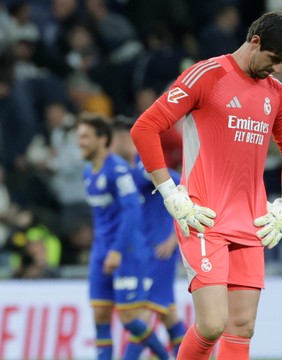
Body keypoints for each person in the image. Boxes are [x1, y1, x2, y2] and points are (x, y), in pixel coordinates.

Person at [130, 12, 282, 360]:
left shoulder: (277, 94)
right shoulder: (208, 75)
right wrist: (169, 193)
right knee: (212, 324)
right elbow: (144, 128)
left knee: (242, 327)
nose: (277, 69)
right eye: (273, 60)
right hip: (203, 217)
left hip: (252, 222)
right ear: (254, 42)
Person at [77, 116, 168, 360]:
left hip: (126, 252)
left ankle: (164, 356)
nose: (80, 142)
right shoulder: (88, 172)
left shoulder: (118, 171)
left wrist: (117, 250)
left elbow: (132, 212)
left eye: (85, 137)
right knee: (100, 316)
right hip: (101, 252)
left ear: (102, 140)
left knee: (129, 319)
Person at [111, 118, 186, 357]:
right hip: (143, 253)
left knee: (140, 316)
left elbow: (185, 189)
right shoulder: (120, 174)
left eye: (114, 139)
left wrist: (174, 238)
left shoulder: (144, 171)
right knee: (168, 315)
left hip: (159, 252)